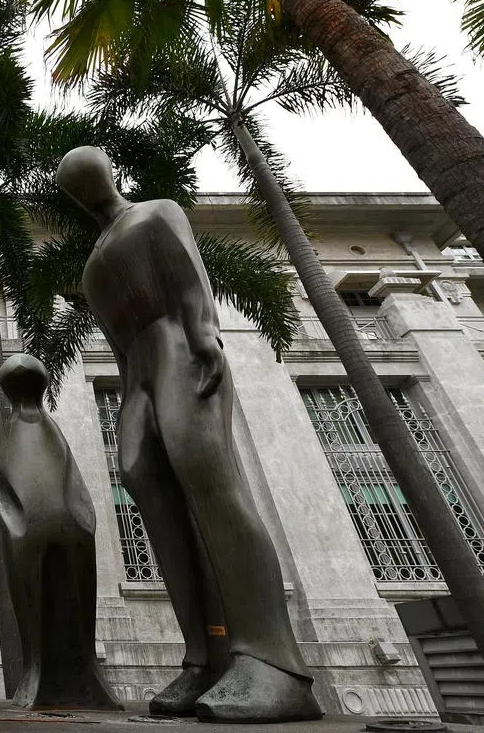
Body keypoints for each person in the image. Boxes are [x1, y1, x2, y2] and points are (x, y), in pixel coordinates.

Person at [57, 146, 321, 722]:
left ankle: (272, 663)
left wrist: (205, 338)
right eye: (72, 183)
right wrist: (132, 398)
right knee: (151, 492)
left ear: (108, 170)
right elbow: (115, 339)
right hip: (138, 377)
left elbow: (188, 279)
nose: (85, 185)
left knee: (215, 489)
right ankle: (204, 658)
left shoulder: (157, 212)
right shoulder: (92, 265)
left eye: (89, 171)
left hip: (182, 352)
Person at [0, 354, 122, 711]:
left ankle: (79, 675)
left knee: (72, 597)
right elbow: (4, 478)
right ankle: (38, 673)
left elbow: (70, 477)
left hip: (63, 526)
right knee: (34, 595)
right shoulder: (16, 428)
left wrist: (83, 519)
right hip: (29, 527)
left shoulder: (36, 428)